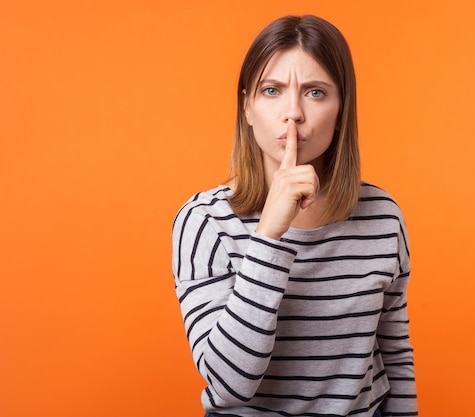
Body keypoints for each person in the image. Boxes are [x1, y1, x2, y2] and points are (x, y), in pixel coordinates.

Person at [172, 14, 417, 417]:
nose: (293, 113)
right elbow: (230, 383)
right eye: (272, 90)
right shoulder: (204, 222)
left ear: (341, 112)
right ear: (247, 108)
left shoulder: (382, 217)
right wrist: (268, 234)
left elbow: (395, 356)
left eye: (316, 93)